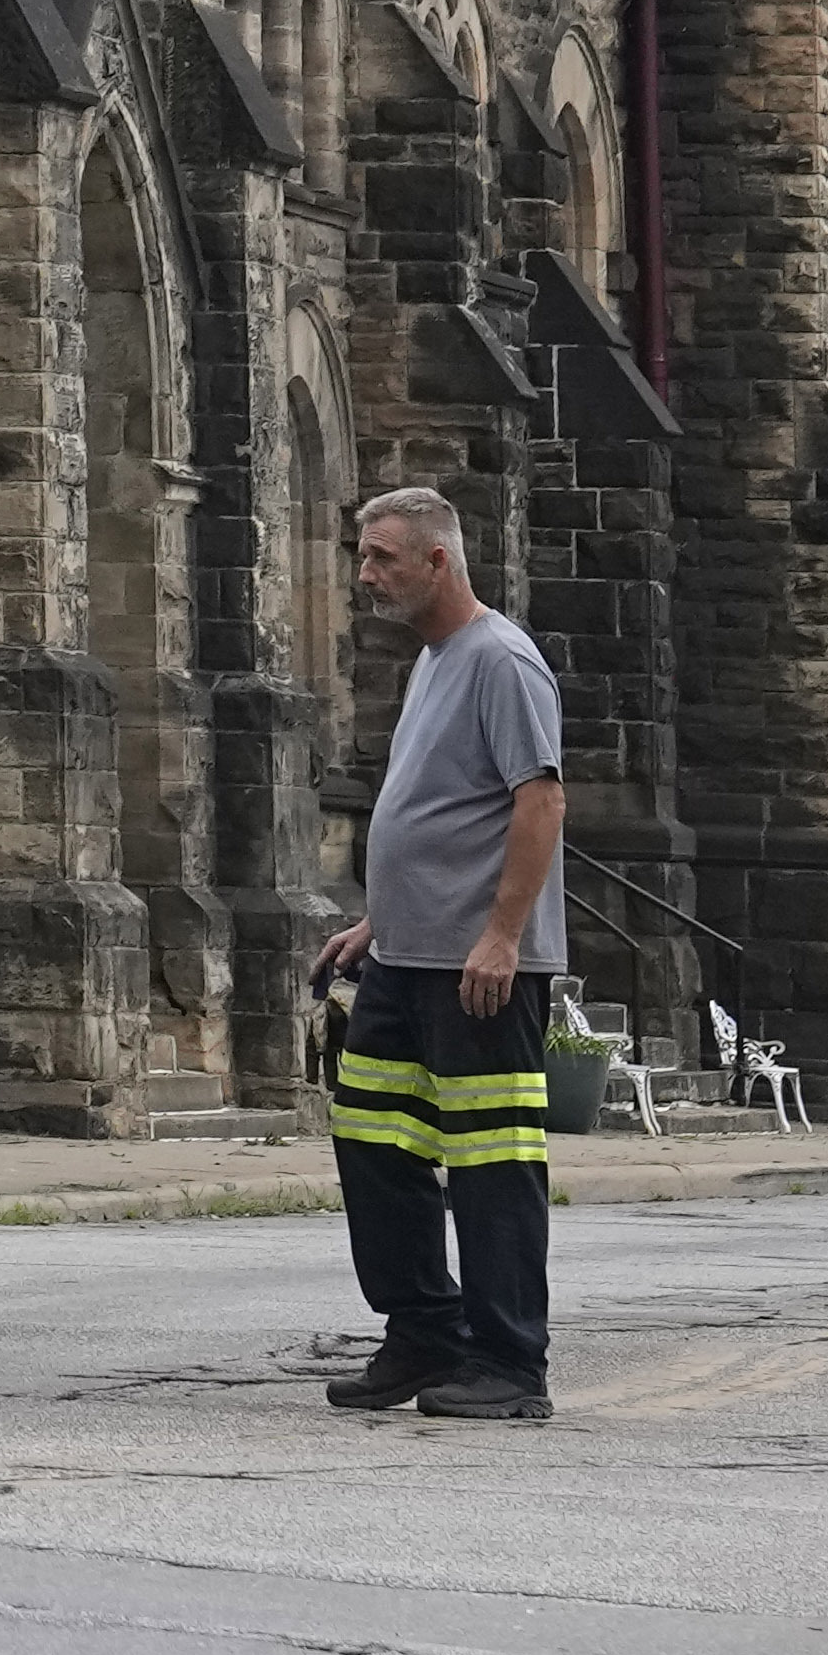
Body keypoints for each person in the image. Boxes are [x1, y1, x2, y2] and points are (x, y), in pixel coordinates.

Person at [309, 481, 567, 1422]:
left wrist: (501, 934)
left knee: (490, 1162)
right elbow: (440, 809)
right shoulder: (432, 659)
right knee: (375, 1144)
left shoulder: (501, 659)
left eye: (380, 556)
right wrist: (377, 921)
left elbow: (539, 799)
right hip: (405, 958)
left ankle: (509, 1362)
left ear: (436, 559)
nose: (364, 573)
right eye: (361, 555)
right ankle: (422, 1332)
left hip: (478, 970)